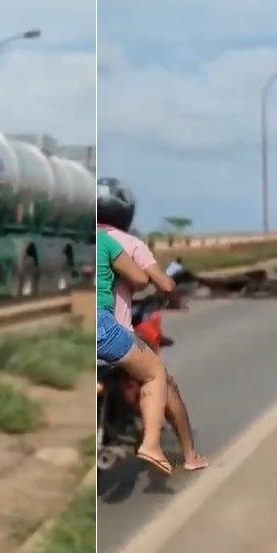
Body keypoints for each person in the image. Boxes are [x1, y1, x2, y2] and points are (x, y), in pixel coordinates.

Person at [97, 179, 208, 472]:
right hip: (111, 332)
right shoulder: (129, 244)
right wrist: (174, 299)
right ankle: (182, 453)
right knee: (160, 378)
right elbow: (153, 281)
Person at [96, 227, 173, 476]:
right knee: (154, 372)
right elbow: (141, 280)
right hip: (103, 327)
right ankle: (150, 445)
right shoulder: (107, 242)